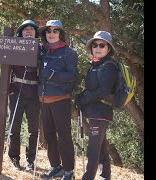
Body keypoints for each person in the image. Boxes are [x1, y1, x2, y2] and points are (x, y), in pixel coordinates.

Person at [37, 20, 78, 180]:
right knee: (48, 136)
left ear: (61, 34)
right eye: (48, 31)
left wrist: (53, 74)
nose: (51, 34)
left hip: (61, 100)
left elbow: (73, 76)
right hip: (43, 100)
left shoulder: (69, 53)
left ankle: (69, 171)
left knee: (64, 136)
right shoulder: (42, 51)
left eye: (55, 31)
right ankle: (56, 167)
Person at [75, 31, 117, 180]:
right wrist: (81, 96)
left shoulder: (109, 66)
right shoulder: (94, 65)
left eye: (102, 45)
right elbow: (92, 89)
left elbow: (104, 90)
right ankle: (105, 175)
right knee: (102, 147)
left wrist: (84, 99)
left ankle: (88, 177)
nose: (97, 47)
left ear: (108, 49)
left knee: (93, 150)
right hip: (95, 112)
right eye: (95, 44)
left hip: (101, 113)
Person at [7, 20, 40, 171]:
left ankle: (30, 160)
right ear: (20, 33)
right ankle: (14, 158)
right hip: (16, 92)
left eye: (31, 30)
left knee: (33, 129)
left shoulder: (41, 49)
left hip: (34, 94)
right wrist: (9, 90)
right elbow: (6, 69)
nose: (28, 31)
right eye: (25, 29)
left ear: (35, 34)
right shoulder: (14, 48)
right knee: (15, 126)